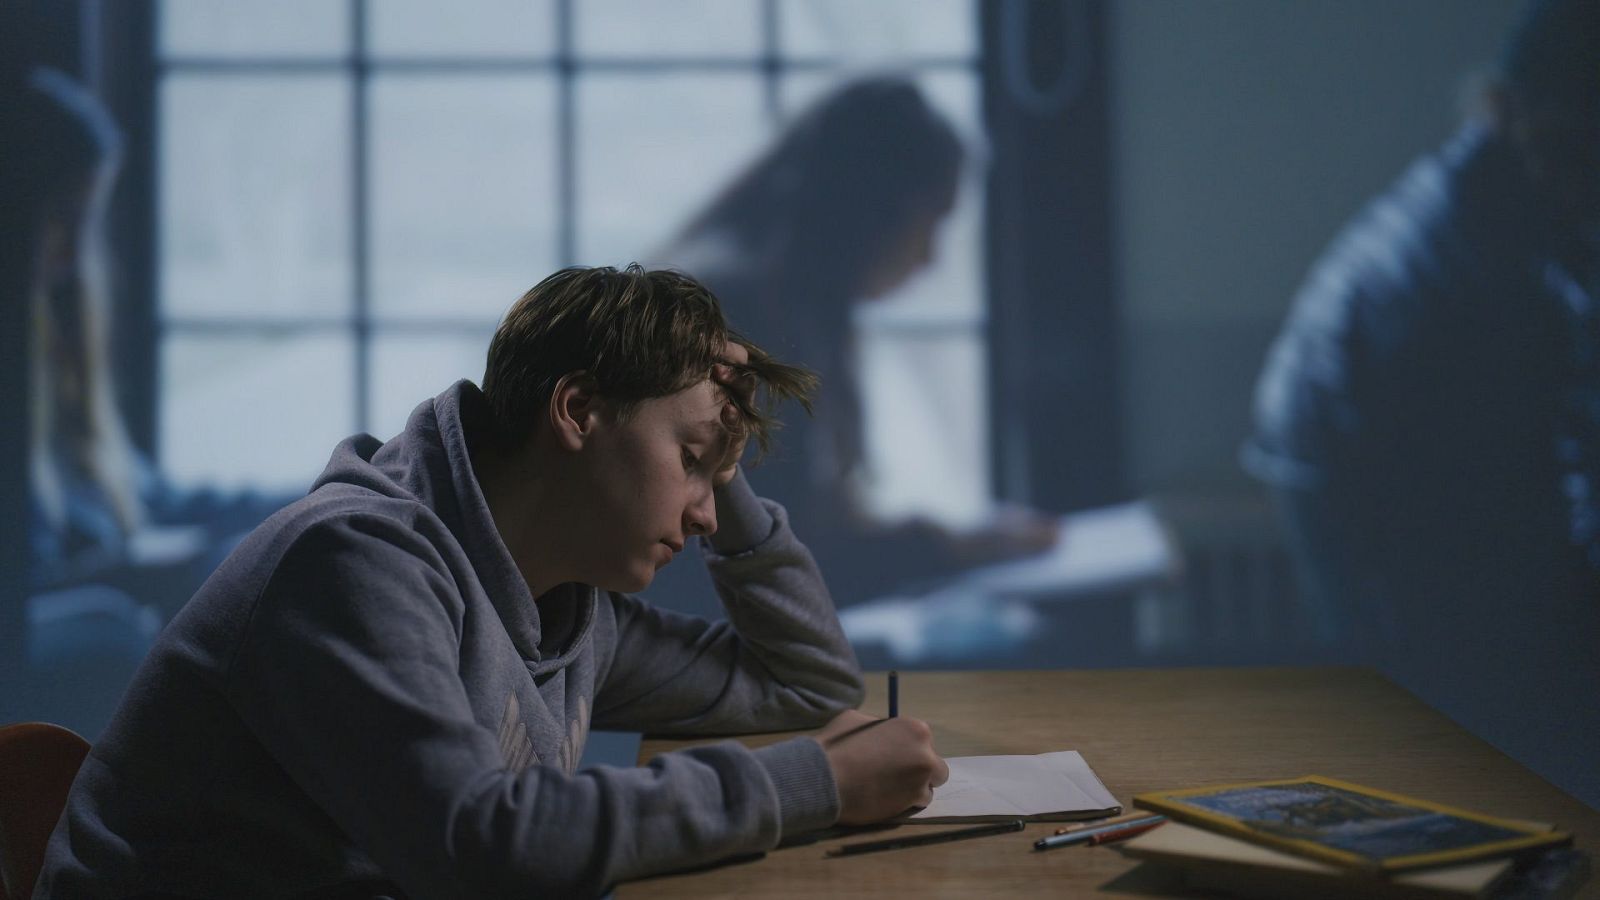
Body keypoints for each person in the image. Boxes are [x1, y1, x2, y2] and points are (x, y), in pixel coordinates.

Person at [36, 265, 949, 898]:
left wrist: (722, 450)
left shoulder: (571, 607)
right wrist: (817, 782)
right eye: (690, 460)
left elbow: (805, 682)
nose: (707, 516)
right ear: (578, 409)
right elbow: (481, 845)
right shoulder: (352, 563)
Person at [1244, 0, 1599, 803]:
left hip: (1401, 564)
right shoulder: (1468, 269)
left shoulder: (1477, 207)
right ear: (1533, 121)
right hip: (1430, 588)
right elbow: (1533, 536)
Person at [652, 76, 1057, 608]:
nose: (930, 257)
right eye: (930, 223)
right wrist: (946, 549)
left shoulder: (776, 298)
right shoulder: (733, 316)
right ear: (876, 210)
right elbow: (754, 552)